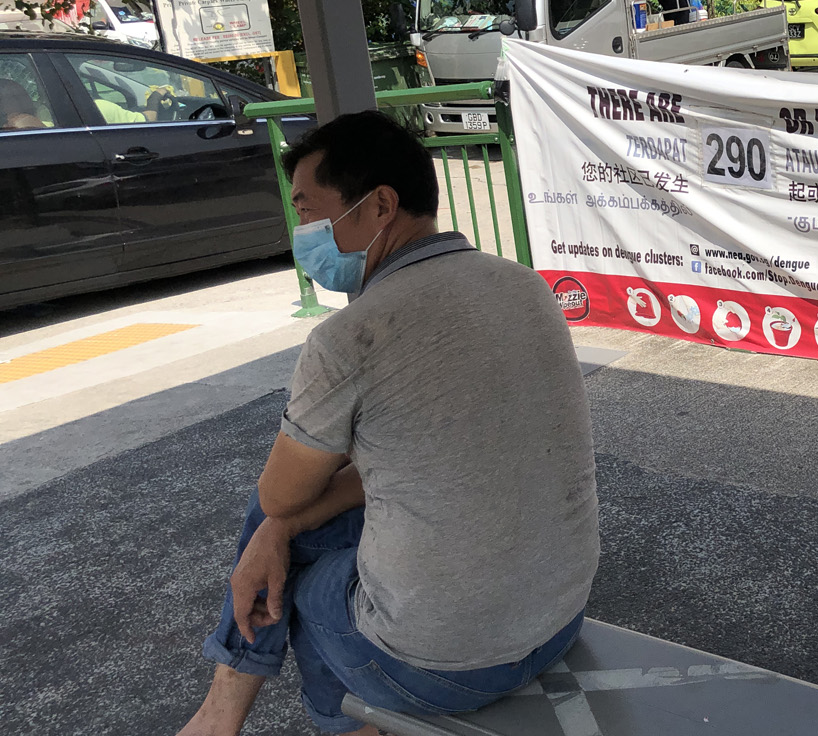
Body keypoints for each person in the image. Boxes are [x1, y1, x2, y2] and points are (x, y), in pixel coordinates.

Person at [177, 111, 599, 736]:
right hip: (560, 619)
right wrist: (281, 526)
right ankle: (228, 714)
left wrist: (277, 527)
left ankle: (316, 722)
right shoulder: (525, 286)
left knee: (305, 578)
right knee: (285, 530)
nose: (301, 231)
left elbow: (278, 494)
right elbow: (419, 465)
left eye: (309, 210)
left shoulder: (350, 338)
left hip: (447, 666)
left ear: (379, 206)